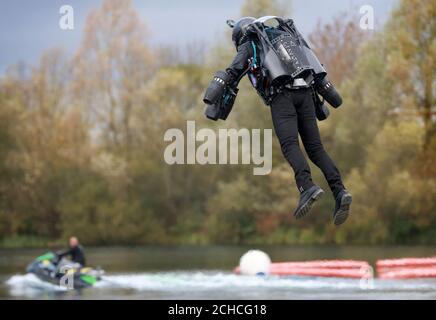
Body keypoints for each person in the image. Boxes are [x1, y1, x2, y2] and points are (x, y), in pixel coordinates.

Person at [204, 17, 352, 225]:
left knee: (289, 144)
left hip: (282, 97)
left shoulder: (251, 44)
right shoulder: (286, 36)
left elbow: (233, 71)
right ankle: (340, 191)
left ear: (240, 37)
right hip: (306, 94)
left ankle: (307, 186)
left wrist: (213, 98)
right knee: (316, 149)